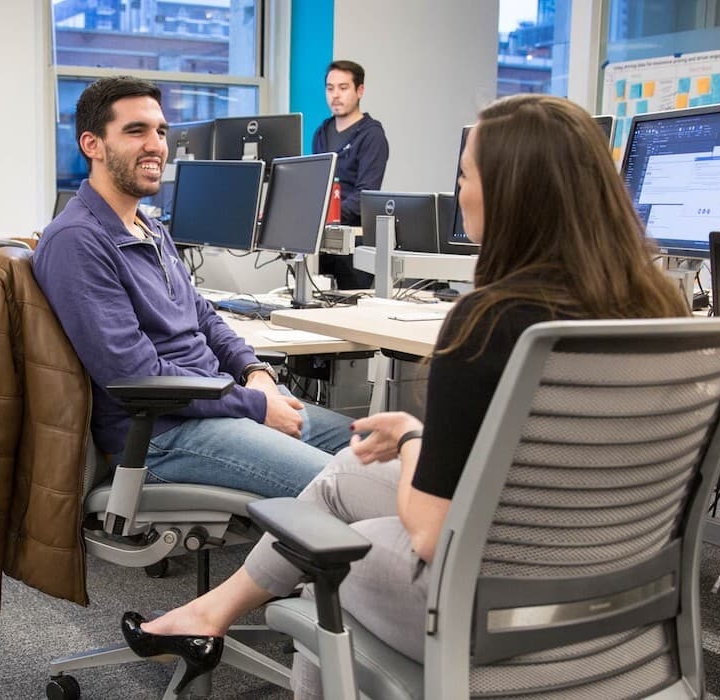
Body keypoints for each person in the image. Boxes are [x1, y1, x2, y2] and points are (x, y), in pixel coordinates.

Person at [120, 94, 690, 696]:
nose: (461, 189)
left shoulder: (488, 322)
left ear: (506, 194)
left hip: (481, 606)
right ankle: (209, 612)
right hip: (624, 593)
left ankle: (249, 622)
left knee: (325, 567)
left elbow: (427, 529)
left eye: (465, 175)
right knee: (344, 473)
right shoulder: (667, 311)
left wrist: (418, 436)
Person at [33, 76, 352, 500]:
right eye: (136, 131)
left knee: (375, 453)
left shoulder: (150, 226)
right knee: (348, 488)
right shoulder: (77, 240)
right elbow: (135, 375)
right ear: (92, 144)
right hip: (162, 433)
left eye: (160, 131)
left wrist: (254, 372)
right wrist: (256, 405)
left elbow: (200, 314)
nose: (156, 144)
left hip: (215, 404)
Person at [313, 59, 389, 290]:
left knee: (347, 305)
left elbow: (365, 193)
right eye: (330, 88)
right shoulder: (322, 133)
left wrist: (328, 217)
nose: (335, 95)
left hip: (354, 242)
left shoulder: (372, 136)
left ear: (360, 91)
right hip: (321, 239)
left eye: (343, 88)